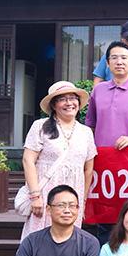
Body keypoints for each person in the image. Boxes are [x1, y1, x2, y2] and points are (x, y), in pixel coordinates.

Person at [21, 81, 97, 240]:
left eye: (73, 98)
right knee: (40, 237)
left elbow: (88, 169)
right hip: (45, 193)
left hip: (73, 193)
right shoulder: (40, 126)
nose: (69, 103)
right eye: (62, 99)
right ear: (54, 105)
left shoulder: (86, 132)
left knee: (68, 239)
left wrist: (82, 202)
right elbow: (28, 160)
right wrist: (35, 195)